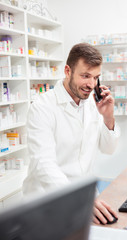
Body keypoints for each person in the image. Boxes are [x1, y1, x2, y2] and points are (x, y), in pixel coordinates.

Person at [23, 43, 120, 224]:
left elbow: (109, 148)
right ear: (68, 71)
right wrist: (80, 199)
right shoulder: (42, 108)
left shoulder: (92, 104)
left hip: (84, 203)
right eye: (85, 76)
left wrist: (108, 116)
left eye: (96, 77)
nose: (91, 84)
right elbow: (43, 165)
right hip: (48, 204)